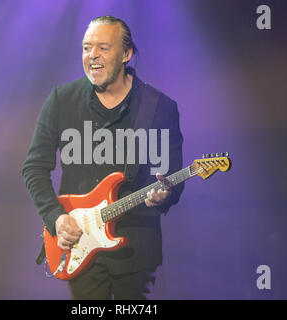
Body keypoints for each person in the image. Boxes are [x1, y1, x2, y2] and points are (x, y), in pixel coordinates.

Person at [22, 15, 184, 300]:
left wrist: (166, 193)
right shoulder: (62, 100)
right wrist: (56, 218)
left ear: (126, 54)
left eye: (103, 48)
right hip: (79, 248)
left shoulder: (159, 107)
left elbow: (172, 179)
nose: (92, 55)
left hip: (136, 251)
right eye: (86, 48)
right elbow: (34, 167)